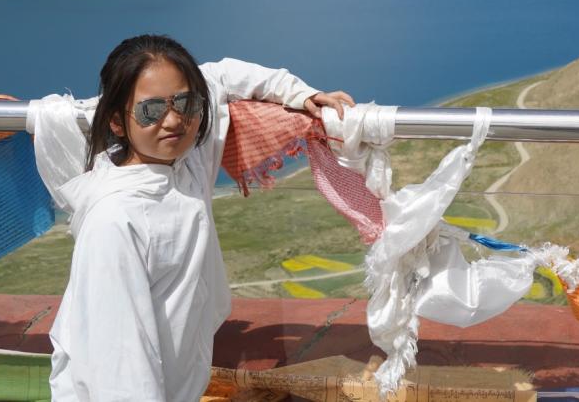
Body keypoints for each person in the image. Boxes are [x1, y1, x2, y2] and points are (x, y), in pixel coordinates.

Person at [48, 34, 354, 401]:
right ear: (116, 121)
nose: (174, 120)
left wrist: (301, 93)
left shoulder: (185, 161)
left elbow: (221, 76)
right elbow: (120, 364)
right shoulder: (115, 221)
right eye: (151, 110)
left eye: (185, 102)